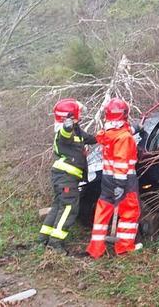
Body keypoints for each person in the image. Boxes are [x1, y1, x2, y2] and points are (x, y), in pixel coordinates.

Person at [38, 99, 96, 253]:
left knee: (58, 206)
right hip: (66, 178)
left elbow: (90, 138)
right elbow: (65, 135)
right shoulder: (64, 131)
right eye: (79, 113)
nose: (81, 115)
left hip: (62, 177)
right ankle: (55, 243)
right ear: (70, 116)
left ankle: (44, 237)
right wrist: (67, 124)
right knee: (69, 208)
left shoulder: (76, 129)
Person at [86, 98, 141, 259]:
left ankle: (96, 248)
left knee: (103, 211)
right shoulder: (124, 138)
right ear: (124, 114)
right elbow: (122, 163)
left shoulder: (108, 132)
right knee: (130, 211)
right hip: (124, 180)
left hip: (107, 180)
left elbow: (119, 133)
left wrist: (134, 129)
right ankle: (124, 247)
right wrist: (121, 185)